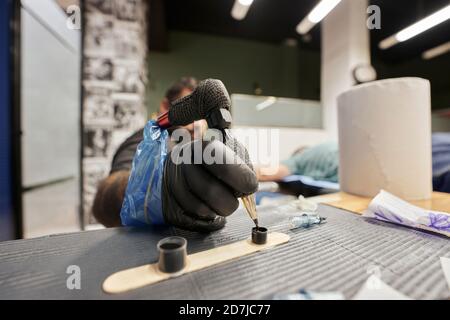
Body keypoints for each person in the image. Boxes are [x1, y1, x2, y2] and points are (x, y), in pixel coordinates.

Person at [92, 77, 258, 232]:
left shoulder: (197, 144)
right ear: (165, 106)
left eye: (202, 118)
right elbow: (104, 199)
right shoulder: (146, 141)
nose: (197, 125)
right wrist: (159, 184)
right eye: (192, 115)